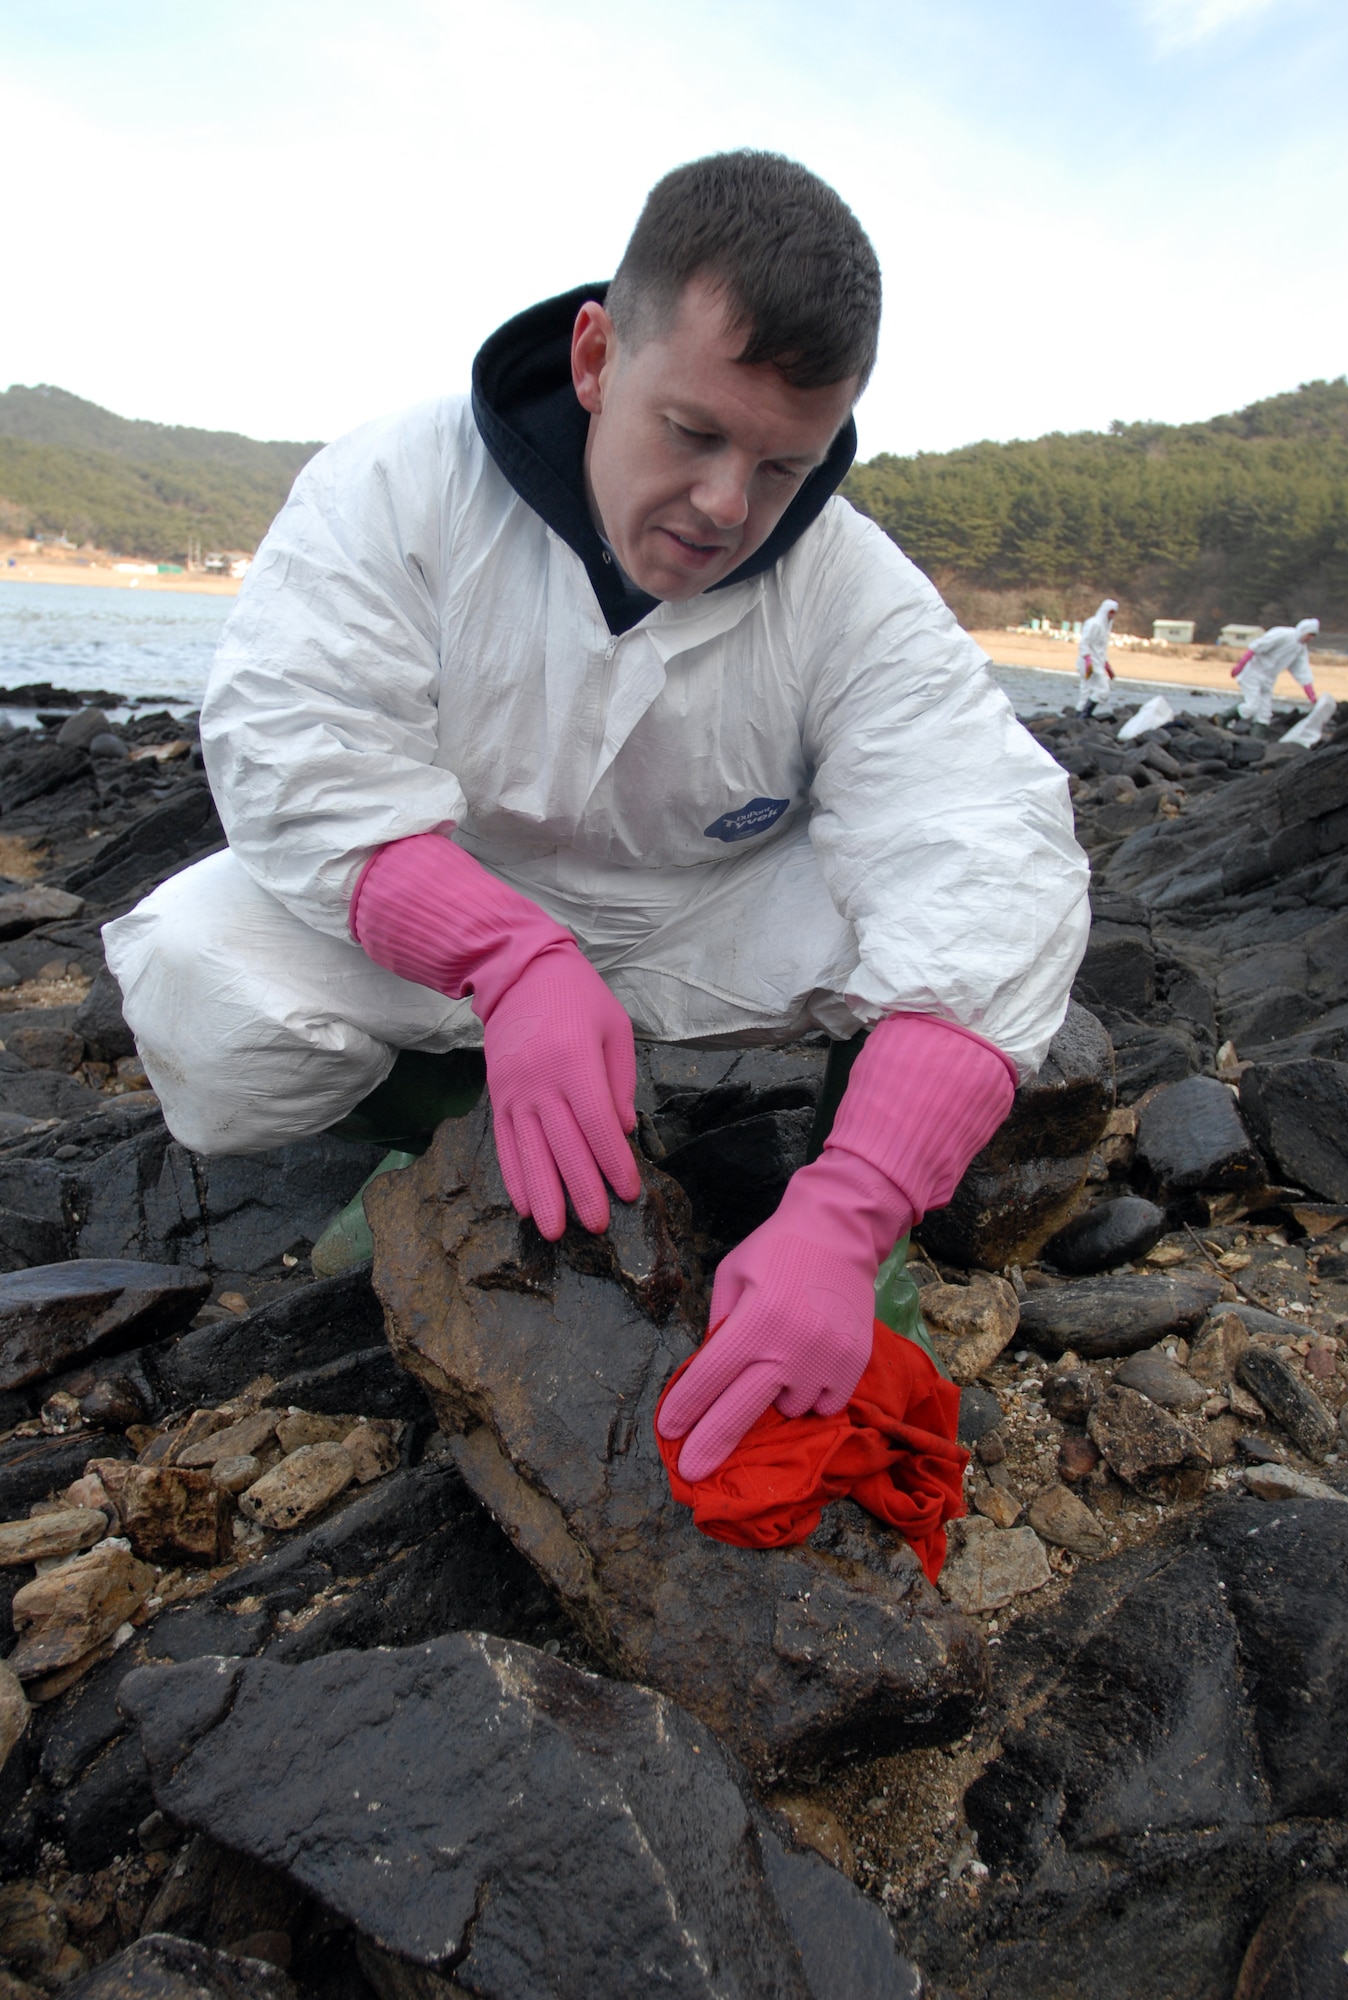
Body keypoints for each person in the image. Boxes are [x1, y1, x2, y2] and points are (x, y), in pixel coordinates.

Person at [104, 151, 1089, 1483]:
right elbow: (302, 755)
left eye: (782, 464)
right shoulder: (399, 487)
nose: (727, 506)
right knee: (195, 975)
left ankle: (841, 1256)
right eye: (692, 431)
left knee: (954, 935)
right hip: (460, 908)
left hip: (706, 918)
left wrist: (853, 1212)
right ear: (592, 358)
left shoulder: (854, 588)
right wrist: (502, 955)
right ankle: (453, 1145)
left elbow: (982, 851)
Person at [1231, 617, 1319, 732]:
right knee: (1251, 706)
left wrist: (1311, 695)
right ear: (1303, 631)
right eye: (1310, 634)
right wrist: (1241, 665)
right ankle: (1222, 718)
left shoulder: (1300, 649)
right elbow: (1257, 646)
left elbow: (1302, 670)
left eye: (1313, 636)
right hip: (1254, 672)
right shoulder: (1283, 635)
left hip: (1268, 679)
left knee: (1265, 713)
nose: (1310, 638)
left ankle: (1257, 738)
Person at [1075, 598, 1118, 714]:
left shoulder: (1104, 628)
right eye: (1110, 612)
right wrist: (1087, 659)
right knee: (1101, 689)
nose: (1112, 616)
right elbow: (1084, 642)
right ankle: (1084, 714)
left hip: (1097, 662)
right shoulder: (1093, 624)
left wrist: (1107, 666)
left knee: (1088, 689)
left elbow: (1101, 650)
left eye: (1114, 613)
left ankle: (1081, 714)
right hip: (1089, 662)